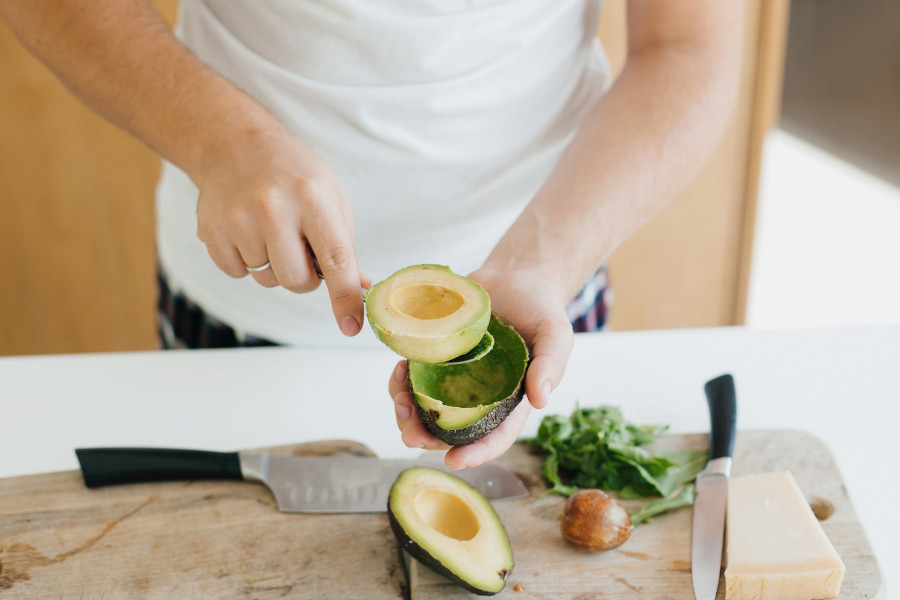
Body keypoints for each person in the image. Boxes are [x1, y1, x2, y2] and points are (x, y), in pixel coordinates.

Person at [0, 0, 742, 469]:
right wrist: (217, 138)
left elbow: (689, 47)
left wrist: (545, 261)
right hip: (237, 298)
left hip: (543, 286)